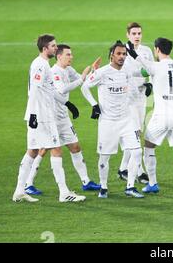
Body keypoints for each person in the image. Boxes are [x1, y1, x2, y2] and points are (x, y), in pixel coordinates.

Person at [12, 34, 86, 203]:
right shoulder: (40, 65)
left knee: (32, 151)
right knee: (56, 149)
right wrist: (33, 114)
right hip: (42, 116)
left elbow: (51, 91)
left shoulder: (44, 65)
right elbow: (36, 91)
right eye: (53, 45)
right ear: (45, 48)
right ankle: (64, 192)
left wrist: (67, 104)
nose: (55, 47)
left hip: (40, 114)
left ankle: (19, 190)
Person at [125, 38, 173, 197]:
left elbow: (140, 60)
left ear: (157, 49)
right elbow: (146, 71)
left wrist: (130, 49)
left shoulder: (156, 66)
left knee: (148, 146)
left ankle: (152, 183)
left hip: (162, 115)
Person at [24, 44, 101, 195]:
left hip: (63, 118)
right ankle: (28, 183)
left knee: (75, 147)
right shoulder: (54, 72)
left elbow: (82, 79)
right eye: (68, 54)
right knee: (42, 149)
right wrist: (81, 79)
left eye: (71, 54)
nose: (71, 57)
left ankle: (86, 181)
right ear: (59, 56)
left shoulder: (68, 70)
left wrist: (92, 71)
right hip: (50, 118)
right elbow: (62, 90)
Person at [81, 40, 144, 199]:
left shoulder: (127, 72)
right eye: (119, 54)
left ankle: (130, 186)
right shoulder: (102, 72)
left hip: (126, 119)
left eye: (124, 54)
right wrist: (94, 104)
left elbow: (133, 91)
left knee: (137, 151)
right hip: (108, 122)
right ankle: (103, 187)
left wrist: (145, 88)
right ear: (112, 56)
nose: (122, 57)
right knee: (105, 157)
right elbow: (84, 87)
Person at [117, 22, 154, 184]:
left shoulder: (146, 51)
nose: (137, 36)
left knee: (137, 132)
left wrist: (150, 83)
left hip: (141, 98)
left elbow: (152, 69)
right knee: (134, 133)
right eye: (134, 33)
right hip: (126, 99)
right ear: (128, 35)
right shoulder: (121, 52)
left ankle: (123, 168)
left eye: (139, 33)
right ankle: (139, 171)